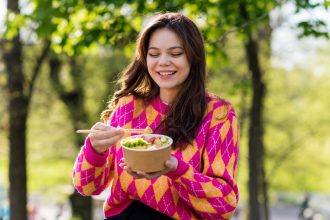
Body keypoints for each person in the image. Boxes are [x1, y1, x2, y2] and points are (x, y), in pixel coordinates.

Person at [72, 12, 239, 220]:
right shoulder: (128, 105)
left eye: (175, 53)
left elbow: (224, 205)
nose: (163, 62)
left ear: (193, 56)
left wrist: (176, 169)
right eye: (154, 54)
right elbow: (86, 187)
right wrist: (95, 149)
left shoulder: (218, 114)